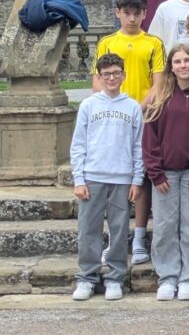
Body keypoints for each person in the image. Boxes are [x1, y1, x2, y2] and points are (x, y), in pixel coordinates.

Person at [94, 0, 165, 266]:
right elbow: (98, 81)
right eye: (127, 13)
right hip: (113, 117)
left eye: (137, 13)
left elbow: (158, 84)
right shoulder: (107, 42)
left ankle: (138, 238)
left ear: (144, 14)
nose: (132, 18)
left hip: (144, 116)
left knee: (142, 178)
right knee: (115, 178)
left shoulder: (154, 43)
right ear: (118, 13)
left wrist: (137, 108)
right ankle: (115, 238)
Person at [70, 53, 144, 302]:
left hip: (122, 177)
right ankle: (87, 277)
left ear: (123, 75)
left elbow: (138, 146)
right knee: (88, 229)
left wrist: (137, 178)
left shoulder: (132, 106)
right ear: (99, 78)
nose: (111, 78)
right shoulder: (89, 105)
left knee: (119, 230)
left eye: (116, 73)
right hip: (92, 176)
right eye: (106, 74)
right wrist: (78, 179)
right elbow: (78, 143)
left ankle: (115, 277)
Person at [142, 44, 189, 302]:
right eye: (177, 61)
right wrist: (155, 172)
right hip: (165, 175)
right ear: (171, 66)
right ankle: (167, 277)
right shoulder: (161, 95)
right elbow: (150, 137)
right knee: (165, 228)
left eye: (187, 61)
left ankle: (188, 278)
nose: (182, 66)